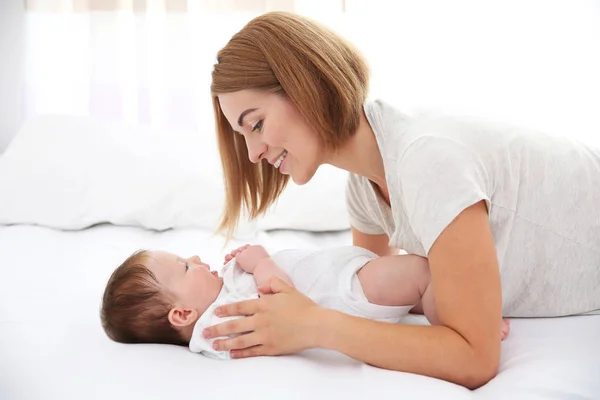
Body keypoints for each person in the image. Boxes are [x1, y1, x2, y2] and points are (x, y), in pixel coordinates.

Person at [205, 11, 600, 389]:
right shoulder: (366, 186)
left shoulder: (425, 160)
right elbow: (373, 295)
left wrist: (312, 325)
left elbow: (475, 359)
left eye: (255, 124)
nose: (254, 153)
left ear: (306, 85)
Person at [99, 244, 512, 358]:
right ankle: (468, 324)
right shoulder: (219, 323)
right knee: (421, 273)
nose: (194, 258)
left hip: (343, 278)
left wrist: (236, 267)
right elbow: (280, 294)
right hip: (348, 292)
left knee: (419, 284)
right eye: (185, 268)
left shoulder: (219, 299)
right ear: (182, 313)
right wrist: (259, 262)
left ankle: (448, 303)